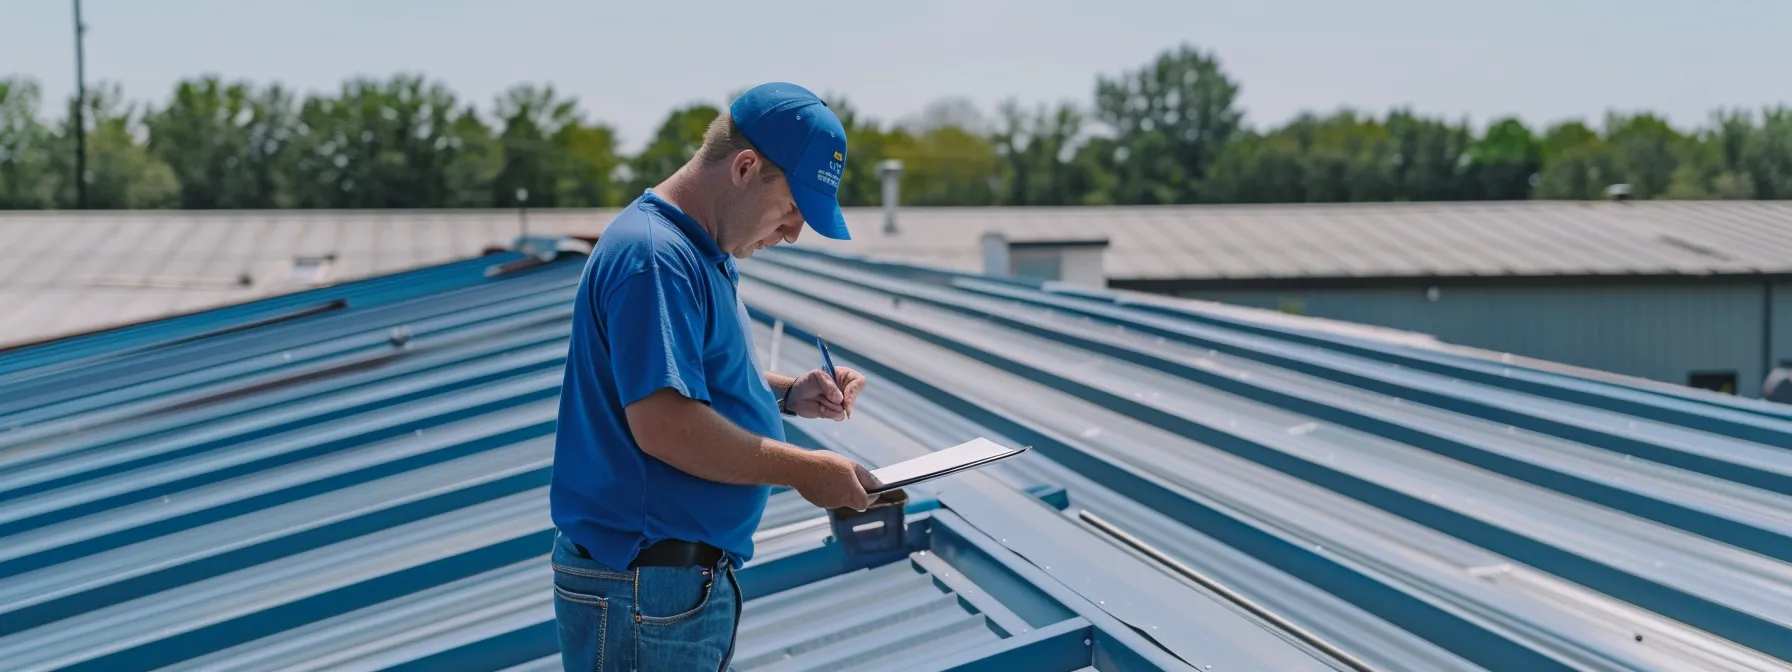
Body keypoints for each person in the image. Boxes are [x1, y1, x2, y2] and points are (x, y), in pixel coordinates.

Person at [547, 82, 876, 672]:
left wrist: (788, 394)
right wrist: (806, 471)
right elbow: (666, 425)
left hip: (662, 587)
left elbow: (690, 380)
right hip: (645, 590)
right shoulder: (655, 258)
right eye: (793, 207)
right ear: (746, 167)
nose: (793, 233)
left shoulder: (696, 251)